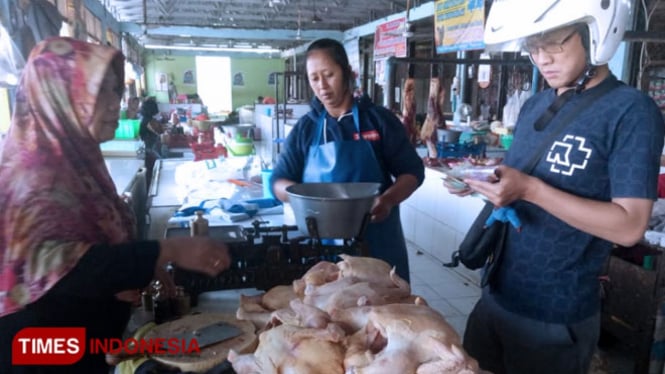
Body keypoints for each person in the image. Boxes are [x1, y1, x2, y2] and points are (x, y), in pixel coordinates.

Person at [445, 2, 665, 373]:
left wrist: (529, 190)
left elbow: (629, 227)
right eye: (534, 45)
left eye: (555, 44)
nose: (542, 58)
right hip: (497, 293)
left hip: (555, 315)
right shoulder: (536, 104)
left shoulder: (631, 112)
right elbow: (521, 175)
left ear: (594, 35)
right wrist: (485, 183)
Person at [0, 37, 232, 373]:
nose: (116, 103)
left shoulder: (76, 160)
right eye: (101, 91)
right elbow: (62, 268)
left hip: (85, 342)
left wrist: (136, 266)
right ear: (61, 95)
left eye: (115, 91)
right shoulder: (31, 175)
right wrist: (165, 250)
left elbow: (88, 245)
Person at [270, 38, 424, 282]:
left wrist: (388, 200)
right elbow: (278, 181)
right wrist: (306, 201)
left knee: (382, 311)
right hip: (321, 247)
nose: (322, 86)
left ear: (348, 73)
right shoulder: (306, 129)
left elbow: (412, 172)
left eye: (329, 75)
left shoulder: (379, 121)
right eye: (314, 78)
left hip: (377, 241)